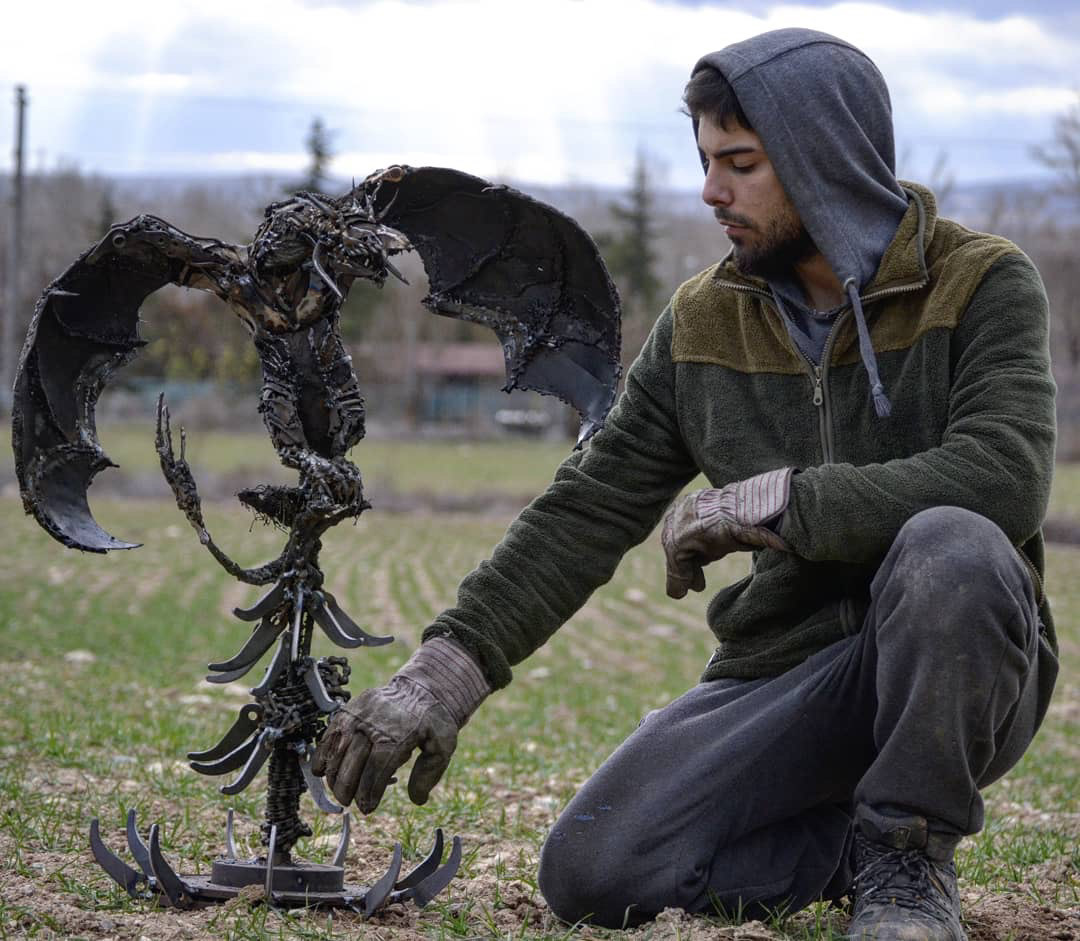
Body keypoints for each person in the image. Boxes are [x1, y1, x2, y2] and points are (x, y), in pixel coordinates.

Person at [313, 28, 1059, 941]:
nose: (712, 191)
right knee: (594, 871)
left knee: (954, 545)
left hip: (959, 663)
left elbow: (1005, 475)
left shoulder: (981, 283)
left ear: (825, 162)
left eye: (740, 164)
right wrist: (445, 671)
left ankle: (909, 856)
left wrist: (788, 500)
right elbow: (590, 505)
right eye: (707, 162)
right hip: (787, 672)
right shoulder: (703, 319)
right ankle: (850, 851)